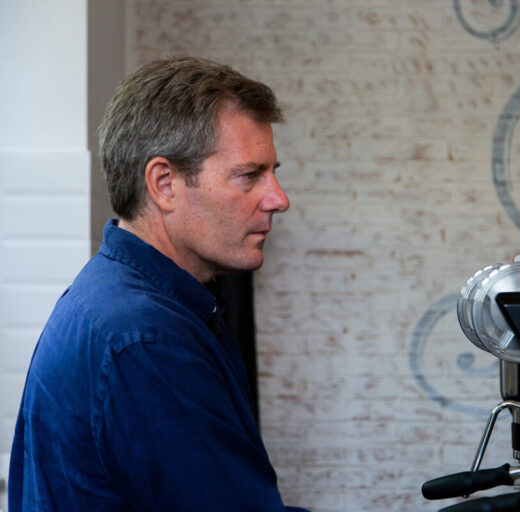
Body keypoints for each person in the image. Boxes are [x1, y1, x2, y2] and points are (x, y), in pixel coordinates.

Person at [9, 57, 309, 511]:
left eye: (273, 172)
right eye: (249, 175)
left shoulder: (120, 300)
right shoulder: (148, 341)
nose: (278, 198)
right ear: (164, 183)